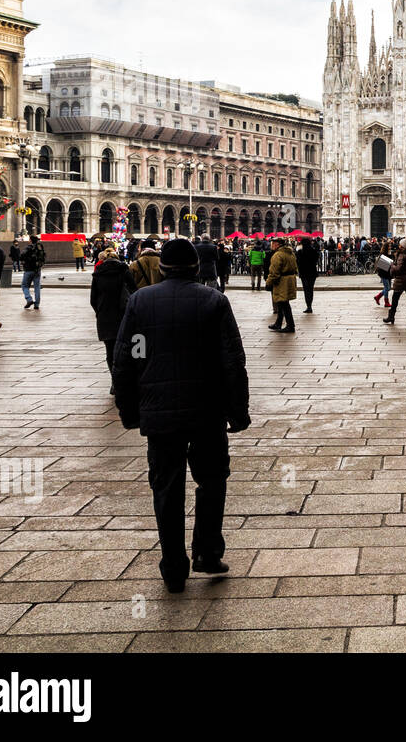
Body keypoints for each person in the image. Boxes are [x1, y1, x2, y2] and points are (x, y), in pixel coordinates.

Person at [112, 238, 250, 593]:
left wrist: (130, 412)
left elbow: (128, 358)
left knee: (166, 487)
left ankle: (173, 567)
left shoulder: (141, 302)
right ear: (195, 268)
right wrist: (239, 412)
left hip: (159, 413)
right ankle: (206, 552)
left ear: (162, 268)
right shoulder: (214, 301)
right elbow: (232, 361)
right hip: (207, 410)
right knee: (212, 480)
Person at [89, 248, 134, 392]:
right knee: (128, 349)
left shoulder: (98, 274)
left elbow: (93, 300)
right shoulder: (123, 270)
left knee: (110, 351)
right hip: (123, 314)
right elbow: (134, 290)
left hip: (105, 316)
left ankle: (114, 382)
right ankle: (127, 379)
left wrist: (99, 312)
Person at [265, 237, 298, 332]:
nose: (271, 245)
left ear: (277, 244)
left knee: (284, 304)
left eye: (273, 243)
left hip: (281, 281)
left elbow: (274, 272)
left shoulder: (278, 255)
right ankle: (278, 323)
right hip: (290, 280)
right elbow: (295, 268)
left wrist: (268, 283)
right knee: (281, 302)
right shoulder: (290, 253)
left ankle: (290, 326)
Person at [385, 238, 406, 325]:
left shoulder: (402, 255)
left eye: (400, 244)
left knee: (395, 298)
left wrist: (392, 265)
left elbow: (398, 269)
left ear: (402, 246)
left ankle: (391, 316)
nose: (398, 246)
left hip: (402, 280)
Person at [21, 233, 45, 309]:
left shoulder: (28, 247)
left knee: (24, 286)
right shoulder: (40, 247)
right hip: (37, 270)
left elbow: (21, 255)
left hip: (28, 269)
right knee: (37, 287)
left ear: (30, 240)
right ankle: (37, 304)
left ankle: (29, 299)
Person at [296, 237, 318, 313]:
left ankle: (308, 306)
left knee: (306, 289)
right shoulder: (314, 251)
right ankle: (310, 305)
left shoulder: (300, 252)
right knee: (310, 289)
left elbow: (298, 262)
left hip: (304, 273)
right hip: (312, 273)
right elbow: (316, 261)